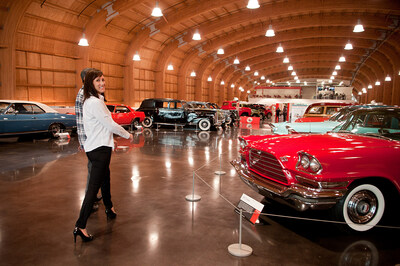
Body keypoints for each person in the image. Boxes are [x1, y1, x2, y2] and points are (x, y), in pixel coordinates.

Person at [73, 69, 133, 242]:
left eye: (103, 80)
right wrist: (127, 135)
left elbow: (99, 126)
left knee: (105, 178)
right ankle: (80, 225)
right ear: (90, 83)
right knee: (93, 189)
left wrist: (110, 140)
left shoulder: (95, 100)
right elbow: (110, 124)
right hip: (98, 150)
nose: (102, 83)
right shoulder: (93, 102)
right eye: (98, 80)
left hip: (100, 146)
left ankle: (109, 207)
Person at [75, 68, 102, 211]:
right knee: (93, 172)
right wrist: (83, 141)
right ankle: (89, 202)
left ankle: (93, 195)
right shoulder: (83, 95)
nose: (99, 82)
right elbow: (81, 120)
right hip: (91, 140)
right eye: (95, 79)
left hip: (92, 139)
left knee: (95, 170)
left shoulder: (89, 94)